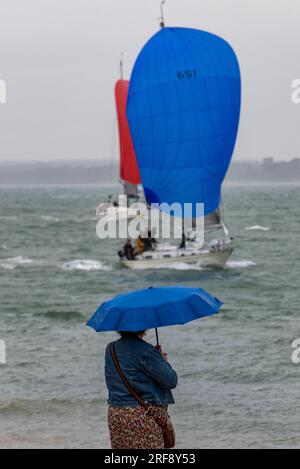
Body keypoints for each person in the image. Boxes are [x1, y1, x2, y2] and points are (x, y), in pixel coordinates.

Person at [105, 331, 178, 449]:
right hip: (141, 416)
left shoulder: (110, 349)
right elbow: (170, 380)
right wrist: (162, 360)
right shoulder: (147, 352)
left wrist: (155, 357)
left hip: (116, 414)